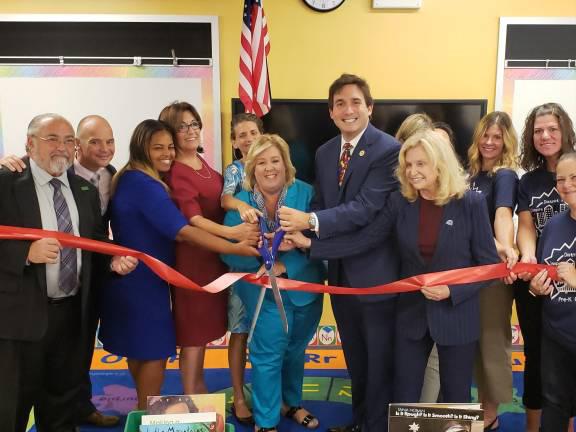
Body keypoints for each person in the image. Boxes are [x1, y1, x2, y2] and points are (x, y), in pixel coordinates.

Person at [287, 129, 501, 403]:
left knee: (455, 397)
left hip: (457, 317)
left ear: (440, 163)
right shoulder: (401, 201)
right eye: (408, 164)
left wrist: (452, 290)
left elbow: (490, 266)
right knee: (404, 395)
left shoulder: (470, 202)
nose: (412, 171)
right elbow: (366, 239)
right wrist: (310, 246)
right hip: (411, 316)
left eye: (420, 164)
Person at [97, 119, 257, 410]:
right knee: (154, 352)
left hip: (137, 279)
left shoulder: (130, 176)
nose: (167, 153)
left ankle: (142, 411)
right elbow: (183, 230)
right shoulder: (144, 184)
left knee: (142, 351)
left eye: (170, 146)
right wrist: (235, 245)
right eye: (157, 147)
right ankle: (146, 415)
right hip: (142, 281)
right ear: (140, 147)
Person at [278, 73, 401, 432]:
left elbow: (365, 208)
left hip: (376, 277)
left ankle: (376, 425)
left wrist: (309, 221)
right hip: (341, 274)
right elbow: (321, 201)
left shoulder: (388, 149)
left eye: (355, 102)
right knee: (357, 360)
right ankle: (362, 421)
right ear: (331, 112)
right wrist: (298, 233)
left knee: (379, 362)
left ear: (370, 108)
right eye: (340, 104)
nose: (348, 110)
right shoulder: (325, 151)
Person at [0, 113, 137, 432]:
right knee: (11, 410)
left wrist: (112, 262)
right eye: (52, 139)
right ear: (29, 144)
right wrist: (24, 253)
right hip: (18, 323)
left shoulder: (84, 190)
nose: (61, 147)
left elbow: (91, 243)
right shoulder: (5, 182)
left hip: (73, 319)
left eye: (68, 140)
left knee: (61, 409)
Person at [222, 134, 325, 432]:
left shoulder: (307, 195)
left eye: (275, 160)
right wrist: (263, 263)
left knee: (295, 351)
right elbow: (226, 250)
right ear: (252, 168)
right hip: (262, 294)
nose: (270, 168)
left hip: (305, 290)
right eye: (262, 162)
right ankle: (266, 422)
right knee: (267, 357)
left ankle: (290, 403)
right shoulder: (240, 204)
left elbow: (323, 241)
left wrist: (287, 263)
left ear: (286, 164)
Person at [159, 102, 259, 397]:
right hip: (193, 263)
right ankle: (192, 401)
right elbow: (193, 219)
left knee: (203, 334)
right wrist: (232, 234)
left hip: (217, 261)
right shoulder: (176, 171)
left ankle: (199, 395)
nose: (190, 131)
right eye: (182, 126)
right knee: (192, 335)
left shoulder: (204, 165)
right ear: (171, 133)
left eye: (194, 124)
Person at [514, 102, 575, 432]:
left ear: (565, 130)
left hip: (573, 283)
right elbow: (526, 226)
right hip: (538, 282)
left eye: (552, 128)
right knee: (537, 359)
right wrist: (528, 258)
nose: (546, 135)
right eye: (538, 131)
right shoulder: (529, 182)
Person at [468, 111, 519, 430]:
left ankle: (490, 413)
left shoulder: (505, 176)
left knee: (491, 341)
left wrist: (506, 250)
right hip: (466, 273)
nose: (489, 142)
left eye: (497, 137)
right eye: (485, 135)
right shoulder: (470, 175)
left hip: (492, 274)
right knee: (471, 343)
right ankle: (476, 406)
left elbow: (503, 213)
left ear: (506, 142)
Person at [221, 112, 265, 425]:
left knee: (267, 335)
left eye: (253, 133)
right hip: (242, 265)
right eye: (242, 135)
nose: (248, 139)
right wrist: (243, 205)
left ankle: (266, 394)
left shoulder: (274, 165)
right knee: (239, 330)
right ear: (235, 143)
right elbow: (225, 199)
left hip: (272, 265)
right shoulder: (235, 171)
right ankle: (238, 395)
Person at [529, 152, 576, 432]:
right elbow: (543, 273)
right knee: (554, 404)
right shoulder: (553, 225)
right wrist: (536, 288)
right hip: (556, 335)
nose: (567, 184)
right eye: (561, 180)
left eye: (574, 178)